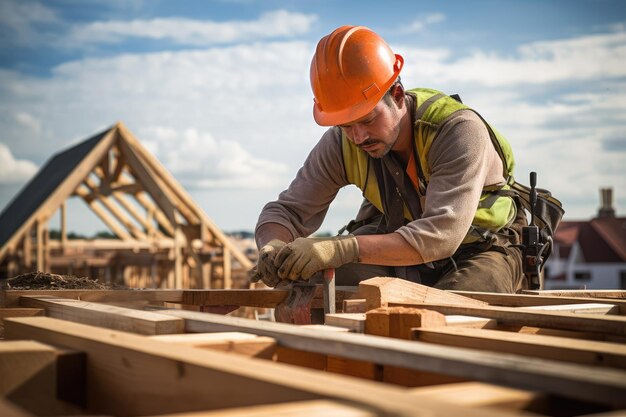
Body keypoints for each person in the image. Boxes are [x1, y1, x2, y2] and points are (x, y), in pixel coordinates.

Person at [252, 25, 529, 293]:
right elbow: (287, 211)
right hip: (400, 243)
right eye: (346, 125)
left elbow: (440, 236)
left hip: (482, 246)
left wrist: (341, 249)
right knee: (307, 288)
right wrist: (272, 245)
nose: (358, 136)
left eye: (368, 120)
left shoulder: (457, 131)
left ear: (397, 95)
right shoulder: (341, 142)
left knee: (454, 314)